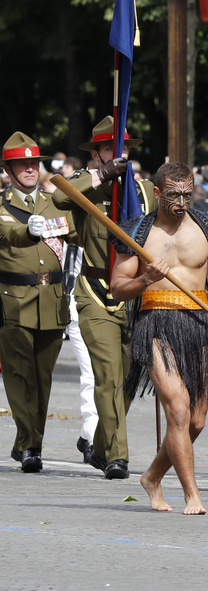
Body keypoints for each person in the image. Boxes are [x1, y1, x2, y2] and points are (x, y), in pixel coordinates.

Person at [110, 162, 208, 514]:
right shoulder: (138, 233)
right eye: (174, 194)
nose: (182, 201)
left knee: (196, 421)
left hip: (200, 322)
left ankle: (153, 476)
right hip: (154, 323)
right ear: (157, 193)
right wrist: (144, 280)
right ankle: (192, 494)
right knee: (178, 408)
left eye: (187, 193)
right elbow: (116, 289)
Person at [52, 116, 157, 479]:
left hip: (134, 293)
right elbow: (57, 195)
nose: (121, 155)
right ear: (96, 154)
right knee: (108, 376)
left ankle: (99, 444)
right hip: (95, 293)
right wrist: (102, 176)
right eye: (112, 149)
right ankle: (118, 456)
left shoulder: (142, 192)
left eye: (125, 148)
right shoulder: (85, 187)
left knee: (128, 378)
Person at [0, 133, 76, 473]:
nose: (30, 169)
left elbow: (77, 228)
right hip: (14, 301)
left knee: (42, 378)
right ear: (9, 170)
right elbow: (12, 235)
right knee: (20, 376)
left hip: (53, 300)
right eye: (22, 164)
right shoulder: (2, 207)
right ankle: (30, 446)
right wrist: (29, 232)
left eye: (34, 163)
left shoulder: (54, 202)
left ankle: (30, 442)